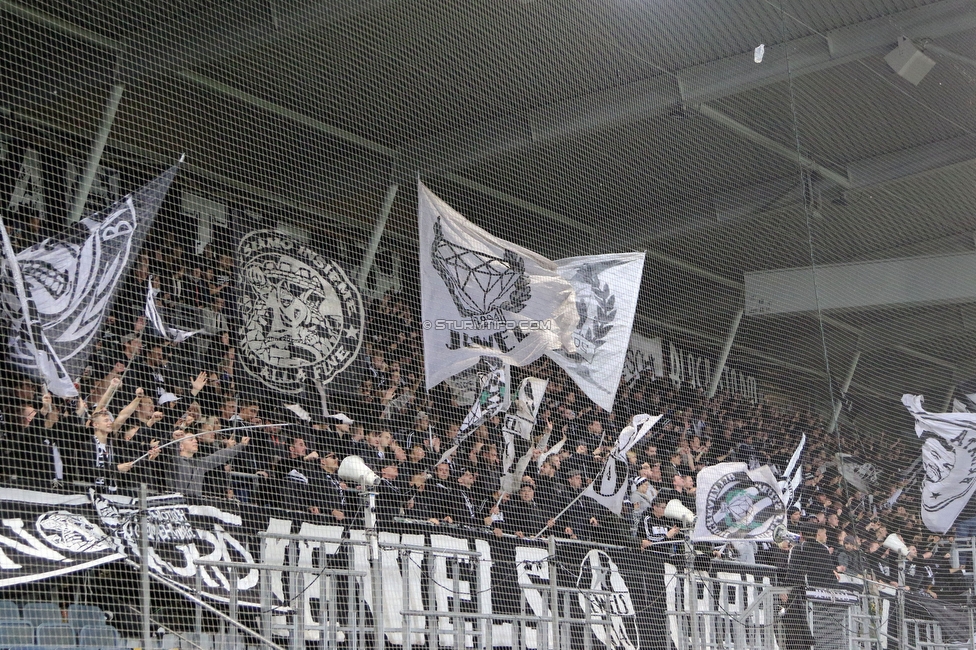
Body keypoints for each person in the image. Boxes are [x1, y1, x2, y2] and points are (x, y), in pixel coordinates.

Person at [169, 432, 251, 499]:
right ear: (181, 446)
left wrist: (241, 445)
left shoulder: (200, 463)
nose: (195, 441)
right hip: (178, 503)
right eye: (191, 440)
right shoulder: (174, 460)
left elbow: (219, 456)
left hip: (196, 505)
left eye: (195, 439)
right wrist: (174, 439)